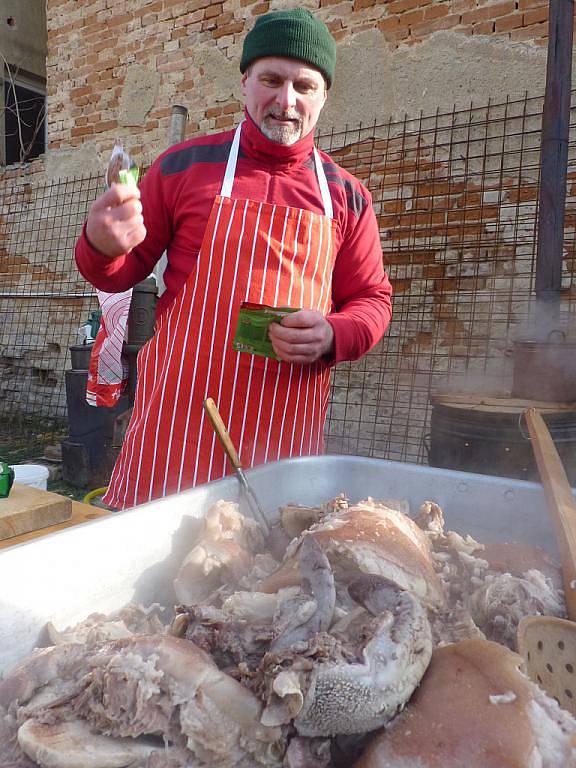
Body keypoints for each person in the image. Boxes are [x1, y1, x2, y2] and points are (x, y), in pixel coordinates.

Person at [75, 8, 393, 510]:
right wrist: (101, 243)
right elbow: (116, 273)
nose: (286, 101)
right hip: (174, 436)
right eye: (271, 79)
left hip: (282, 442)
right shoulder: (183, 168)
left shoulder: (346, 196)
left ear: (323, 96)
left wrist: (336, 333)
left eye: (304, 86)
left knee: (260, 579)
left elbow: (372, 298)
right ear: (245, 82)